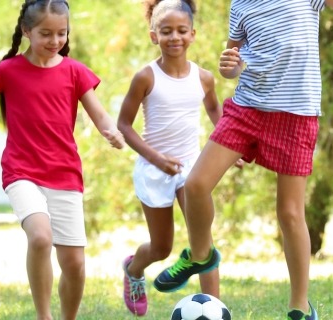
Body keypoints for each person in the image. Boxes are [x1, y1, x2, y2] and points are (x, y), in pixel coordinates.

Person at [151, 1, 333, 319]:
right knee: (196, 185)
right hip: (248, 107)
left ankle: (299, 306)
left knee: (289, 213)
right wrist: (228, 65)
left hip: (296, 116)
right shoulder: (241, 4)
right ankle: (201, 255)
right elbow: (232, 64)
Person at [0, 1, 125, 319]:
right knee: (40, 236)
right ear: (27, 31)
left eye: (61, 33)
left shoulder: (75, 72)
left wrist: (111, 132)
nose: (55, 41)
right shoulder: (8, 70)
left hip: (65, 174)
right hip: (21, 171)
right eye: (46, 34)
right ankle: (44, 316)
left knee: (75, 266)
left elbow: (100, 114)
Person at [115, 0, 224, 316]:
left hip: (191, 168)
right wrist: (157, 158)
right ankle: (134, 270)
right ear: (153, 35)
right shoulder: (146, 77)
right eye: (166, 31)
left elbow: (215, 110)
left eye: (181, 31)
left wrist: (230, 144)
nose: (174, 37)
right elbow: (124, 125)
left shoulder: (204, 78)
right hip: (154, 169)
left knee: (202, 242)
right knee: (161, 247)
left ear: (193, 34)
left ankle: (215, 309)